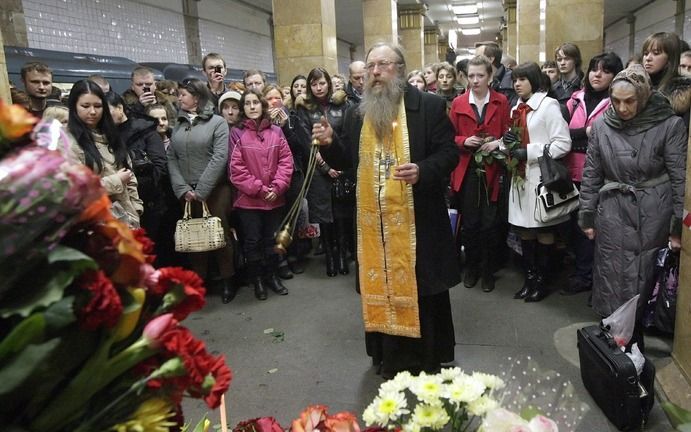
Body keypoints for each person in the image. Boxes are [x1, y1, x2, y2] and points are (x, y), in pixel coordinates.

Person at [316, 42, 460, 378]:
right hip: (374, 224)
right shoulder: (359, 113)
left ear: (400, 68)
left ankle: (426, 358)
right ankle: (387, 356)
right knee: (381, 286)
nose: (375, 73)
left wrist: (423, 170)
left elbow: (449, 155)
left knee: (421, 288)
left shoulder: (429, 105)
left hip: (417, 220)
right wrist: (329, 145)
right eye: (370, 67)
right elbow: (349, 161)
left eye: (382, 65)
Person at [579, 64, 687, 351]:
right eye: (616, 101)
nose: (622, 108)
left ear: (643, 96)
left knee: (642, 274)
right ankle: (614, 336)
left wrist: (678, 228)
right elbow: (592, 172)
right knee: (611, 271)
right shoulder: (603, 125)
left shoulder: (669, 124)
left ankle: (633, 336)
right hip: (612, 207)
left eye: (630, 101)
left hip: (652, 209)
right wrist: (587, 215)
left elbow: (680, 179)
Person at [503, 62, 572, 303]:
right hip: (520, 179)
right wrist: (507, 143)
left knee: (543, 229)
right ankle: (530, 279)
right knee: (524, 231)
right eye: (515, 80)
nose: (517, 84)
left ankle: (542, 281)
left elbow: (563, 143)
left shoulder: (548, 105)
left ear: (534, 79)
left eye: (522, 79)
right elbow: (513, 144)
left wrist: (529, 152)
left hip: (541, 179)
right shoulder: (517, 108)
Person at [167, 78, 236, 303]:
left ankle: (228, 279)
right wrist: (183, 188)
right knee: (194, 237)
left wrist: (202, 189)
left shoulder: (217, 123)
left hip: (215, 190)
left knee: (219, 234)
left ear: (196, 97)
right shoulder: (178, 124)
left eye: (183, 95)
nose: (179, 98)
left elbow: (219, 157)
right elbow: (172, 157)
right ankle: (200, 281)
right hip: (186, 192)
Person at [561, 52, 623, 296]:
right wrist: (584, 133)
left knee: (590, 228)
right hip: (569, 171)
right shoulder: (575, 99)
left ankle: (586, 275)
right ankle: (579, 270)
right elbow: (562, 133)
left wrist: (581, 134)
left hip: (599, 174)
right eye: (595, 69)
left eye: (606, 71)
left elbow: (606, 135)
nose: (598, 74)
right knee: (570, 225)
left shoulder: (616, 101)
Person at [448, 55, 510, 293]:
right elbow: (449, 137)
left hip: (494, 169)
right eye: (471, 75)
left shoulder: (501, 101)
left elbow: (509, 134)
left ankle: (488, 271)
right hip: (467, 170)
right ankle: (472, 267)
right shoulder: (458, 102)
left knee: (490, 224)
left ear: (490, 76)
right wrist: (465, 140)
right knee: (471, 224)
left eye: (480, 75)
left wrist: (497, 144)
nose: (475, 80)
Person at [229, 89, 293, 300]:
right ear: (243, 109)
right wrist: (260, 189)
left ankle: (272, 276)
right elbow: (236, 170)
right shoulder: (237, 134)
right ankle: (257, 280)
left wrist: (277, 187)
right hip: (249, 201)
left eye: (256, 102)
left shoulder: (276, 131)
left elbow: (286, 161)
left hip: (275, 199)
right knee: (252, 241)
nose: (252, 106)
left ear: (262, 105)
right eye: (247, 103)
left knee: (272, 240)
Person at [295, 67, 349, 277]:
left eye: (322, 83)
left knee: (341, 215)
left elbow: (345, 137)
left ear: (329, 83)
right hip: (318, 170)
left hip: (340, 168)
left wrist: (338, 165)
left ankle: (343, 256)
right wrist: (326, 167)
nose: (318, 87)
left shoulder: (342, 106)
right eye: (314, 84)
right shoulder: (304, 109)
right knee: (324, 217)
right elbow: (305, 142)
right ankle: (331, 258)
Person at [66, 80, 143, 227]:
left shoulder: (112, 135)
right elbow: (73, 191)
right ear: (74, 107)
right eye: (85, 106)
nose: (93, 112)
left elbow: (129, 173)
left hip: (128, 220)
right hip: (94, 224)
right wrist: (116, 180)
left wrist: (137, 208)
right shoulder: (67, 142)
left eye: (98, 106)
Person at [107, 92, 168, 249]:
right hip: (117, 202)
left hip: (148, 200)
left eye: (107, 110)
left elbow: (160, 165)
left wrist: (135, 179)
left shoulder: (144, 129)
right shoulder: (105, 133)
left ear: (120, 108)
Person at [476, 41, 518, 107]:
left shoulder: (511, 79)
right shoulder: (481, 80)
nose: (474, 61)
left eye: (478, 57)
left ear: (490, 59)